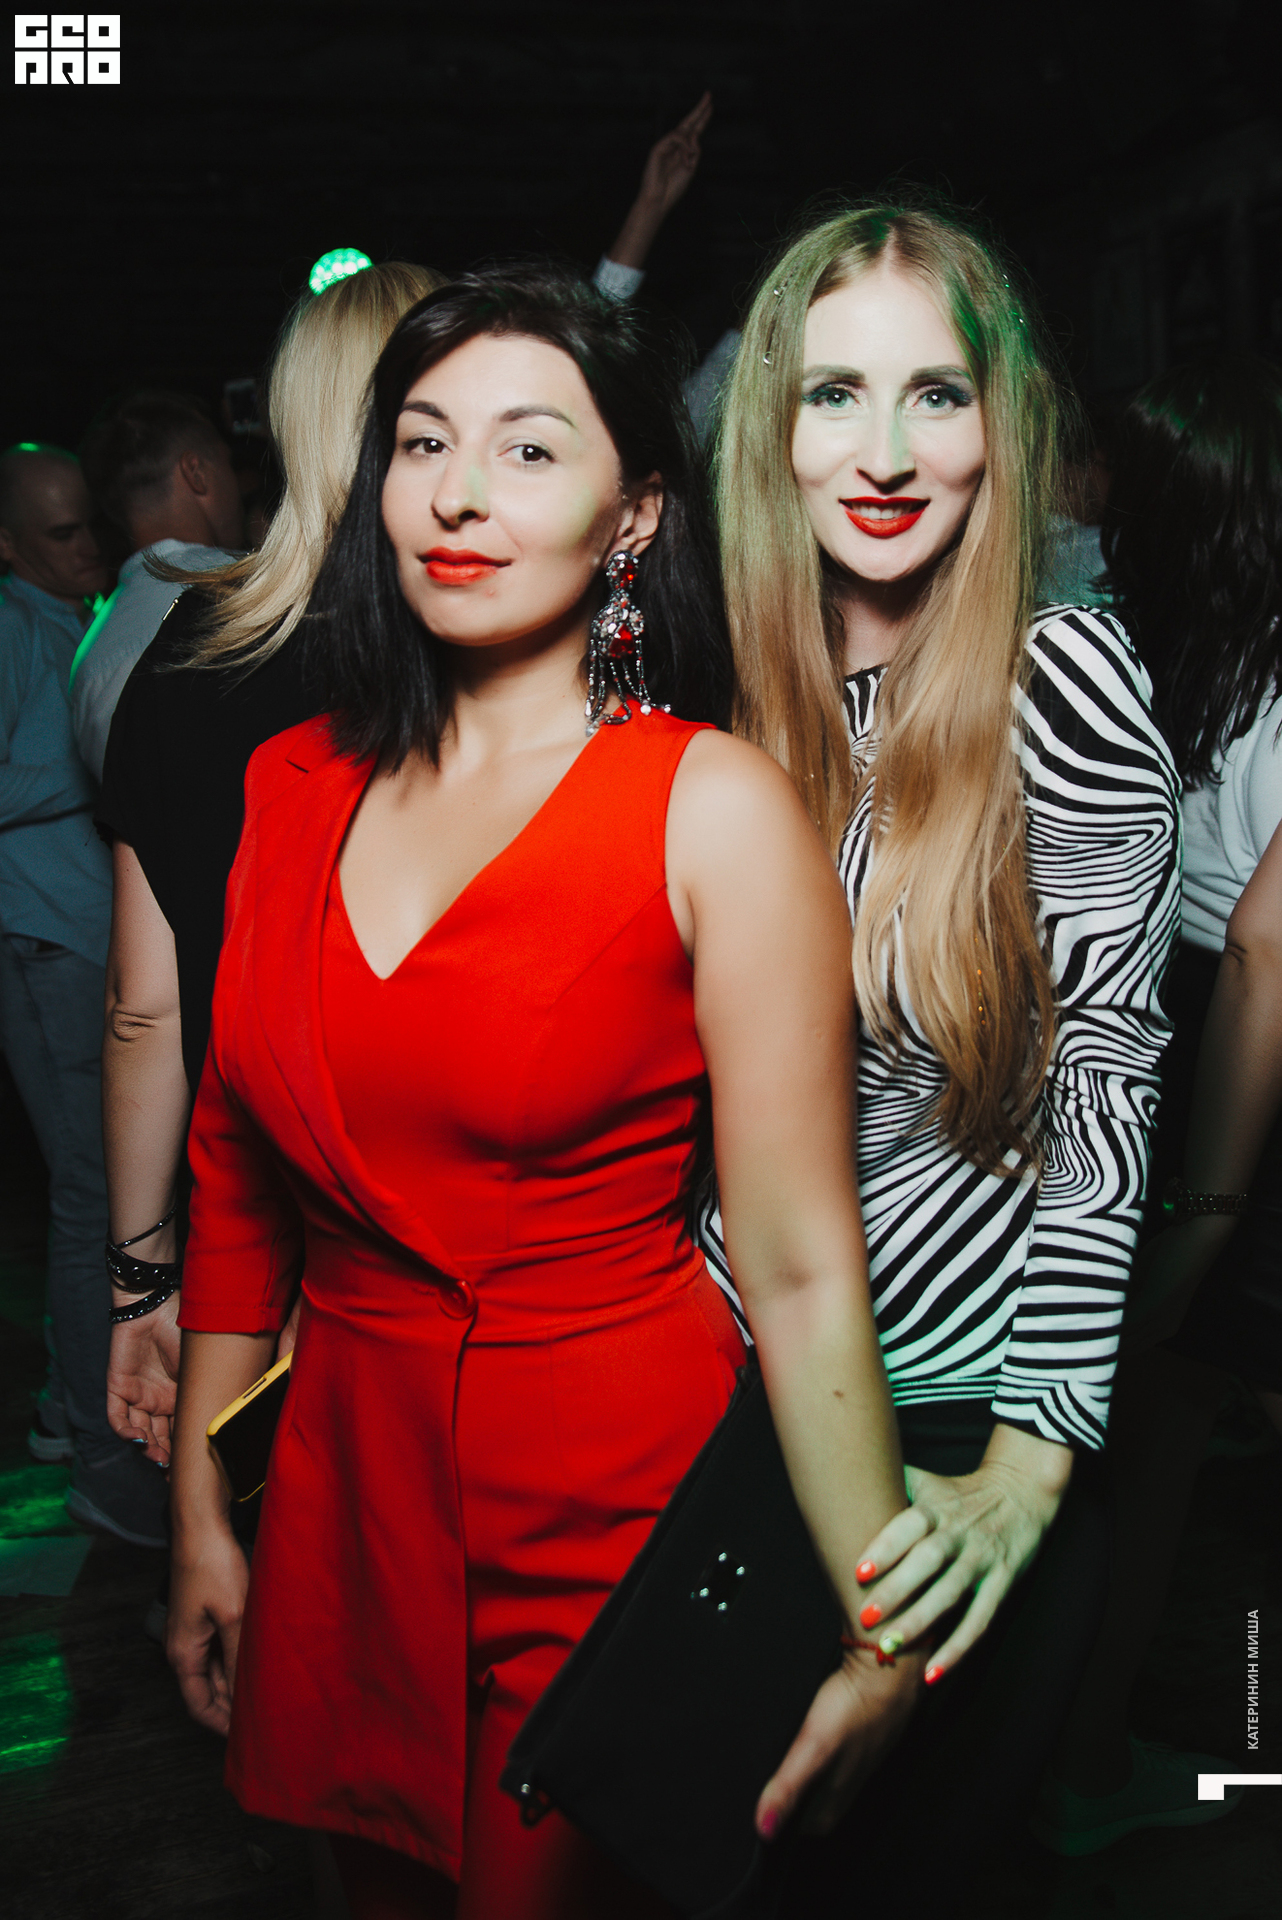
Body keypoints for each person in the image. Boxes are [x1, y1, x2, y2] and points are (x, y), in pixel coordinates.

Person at [165, 266, 947, 1920]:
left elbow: (803, 1269)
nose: (459, 493)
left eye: (528, 448)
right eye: (423, 442)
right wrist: (202, 1514)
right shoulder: (285, 787)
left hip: (604, 1522)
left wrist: (877, 1628)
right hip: (340, 1502)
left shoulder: (709, 810)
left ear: (632, 514)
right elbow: (233, 1170)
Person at [702, 203, 1182, 1903]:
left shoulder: (1066, 681)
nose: (888, 453)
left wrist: (1033, 1462)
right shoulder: (730, 697)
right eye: (834, 395)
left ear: (1001, 424)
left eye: (936, 395)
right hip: (727, 1411)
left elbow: (1111, 1075)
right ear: (770, 430)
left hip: (948, 1430)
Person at [99, 262, 444, 1470]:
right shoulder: (486, 649)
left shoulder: (183, 657)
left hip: (254, 1224)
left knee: (276, 1545)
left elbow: (144, 1009)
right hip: (454, 1235)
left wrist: (143, 1280)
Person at [1042, 355, 1282, 1851]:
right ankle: (1093, 1760)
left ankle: (1077, 1758)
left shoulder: (1127, 639)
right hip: (1245, 1062)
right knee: (1166, 1428)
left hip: (1161, 1025)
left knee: (1150, 1438)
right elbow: (1265, 952)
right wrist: (1206, 1209)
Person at [0, 443, 167, 1544]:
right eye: (60, 534)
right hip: (47, 940)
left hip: (81, 936)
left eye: (88, 525)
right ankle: (106, 1468)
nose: (87, 548)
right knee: (90, 1199)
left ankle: (73, 1413)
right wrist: (105, 761)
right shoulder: (14, 631)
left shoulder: (73, 617)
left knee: (94, 1192)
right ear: (9, 546)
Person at [72, 391, 247, 780]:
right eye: (228, 464)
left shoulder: (89, 657)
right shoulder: (252, 587)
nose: (237, 485)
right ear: (196, 472)